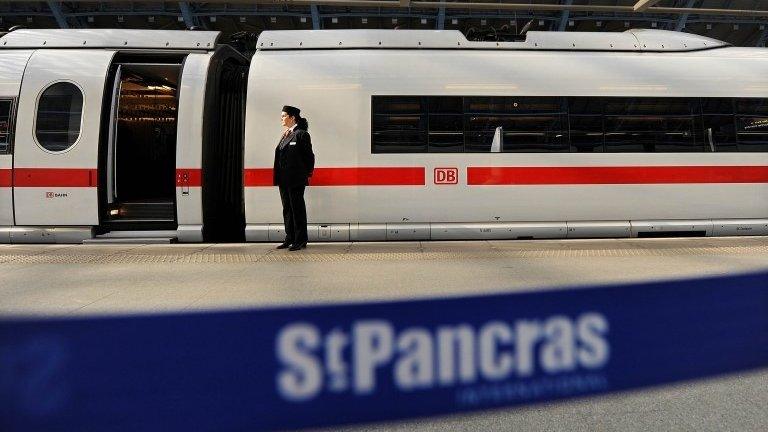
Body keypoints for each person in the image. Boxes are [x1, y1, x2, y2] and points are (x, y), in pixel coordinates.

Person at [274, 105, 314, 251]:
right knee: (287, 209)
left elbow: (309, 157)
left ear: (292, 117)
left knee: (297, 209)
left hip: (296, 179)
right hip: (284, 180)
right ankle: (289, 237)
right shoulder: (286, 134)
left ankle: (300, 240)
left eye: (284, 115)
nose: (282, 118)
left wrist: (306, 174)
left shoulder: (301, 134)